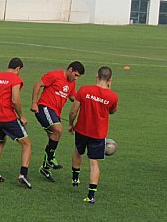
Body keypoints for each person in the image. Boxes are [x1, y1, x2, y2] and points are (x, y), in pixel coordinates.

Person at [0, 57, 33, 189]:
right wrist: (21, 116)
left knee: (1, 140)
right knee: (27, 144)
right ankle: (23, 175)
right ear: (18, 69)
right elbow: (15, 100)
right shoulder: (16, 79)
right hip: (7, 117)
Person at [68, 66, 118, 204]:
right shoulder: (113, 96)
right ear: (110, 80)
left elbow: (73, 111)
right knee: (93, 163)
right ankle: (91, 196)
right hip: (98, 134)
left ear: (97, 75)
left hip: (82, 130)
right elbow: (112, 111)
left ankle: (75, 178)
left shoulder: (84, 89)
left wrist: (71, 124)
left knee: (78, 151)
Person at [31, 61, 85, 182]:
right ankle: (51, 158)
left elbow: (72, 97)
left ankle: (45, 167)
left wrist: (84, 99)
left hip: (55, 113)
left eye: (78, 76)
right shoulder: (55, 75)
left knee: (53, 136)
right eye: (76, 75)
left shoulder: (72, 82)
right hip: (44, 107)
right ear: (70, 69)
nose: (76, 78)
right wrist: (34, 102)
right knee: (58, 129)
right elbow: (38, 84)